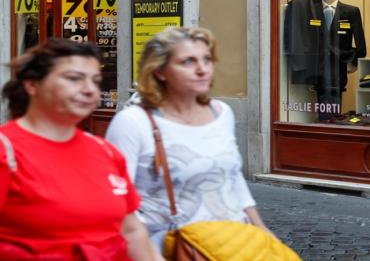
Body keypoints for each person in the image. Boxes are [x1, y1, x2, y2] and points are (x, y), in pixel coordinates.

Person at [105, 27, 273, 250]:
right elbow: (119, 204)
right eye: (188, 62)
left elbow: (233, 179)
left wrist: (261, 230)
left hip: (232, 245)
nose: (202, 69)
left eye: (207, 59)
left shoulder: (220, 112)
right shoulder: (133, 122)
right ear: (159, 71)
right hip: (174, 247)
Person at [0, 38, 160, 260]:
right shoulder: (6, 150)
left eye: (95, 81)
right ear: (32, 85)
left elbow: (131, 230)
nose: (89, 90)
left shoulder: (105, 151)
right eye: (74, 79)